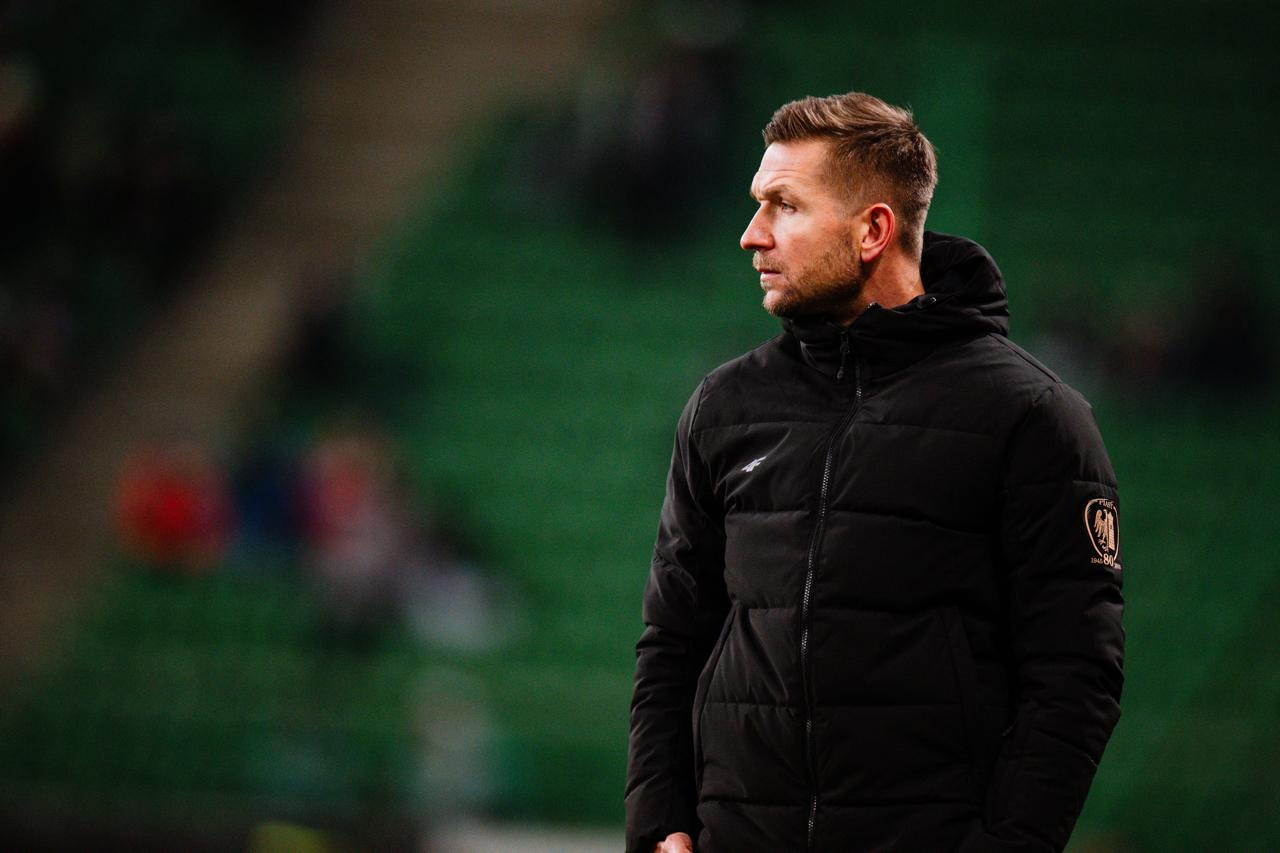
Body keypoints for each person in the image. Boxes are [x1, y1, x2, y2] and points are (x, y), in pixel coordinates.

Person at [624, 92, 1125, 853]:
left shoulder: (1031, 417)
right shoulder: (724, 407)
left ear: (873, 230)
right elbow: (672, 640)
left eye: (785, 206)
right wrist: (661, 824)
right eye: (758, 204)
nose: (752, 234)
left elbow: (1075, 675)